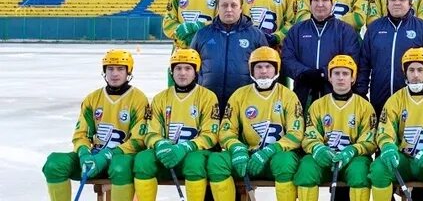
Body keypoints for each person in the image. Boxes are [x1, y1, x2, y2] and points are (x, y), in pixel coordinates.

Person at [42, 49, 149, 201]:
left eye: (120, 69)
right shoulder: (92, 99)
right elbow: (81, 135)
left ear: (128, 72)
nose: (114, 73)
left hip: (121, 160)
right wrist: (84, 153)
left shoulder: (138, 99)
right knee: (54, 164)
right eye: (110, 69)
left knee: (120, 167)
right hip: (93, 158)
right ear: (104, 71)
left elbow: (139, 141)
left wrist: (108, 155)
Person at [207, 46, 305, 200]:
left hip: (276, 157)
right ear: (251, 70)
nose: (264, 71)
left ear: (276, 69)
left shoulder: (288, 96)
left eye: (268, 66)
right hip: (247, 156)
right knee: (216, 161)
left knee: (286, 163)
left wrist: (270, 150)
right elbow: (226, 130)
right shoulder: (239, 95)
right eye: (259, 67)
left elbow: (296, 133)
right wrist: (237, 148)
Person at [132, 49, 222, 201]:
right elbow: (150, 131)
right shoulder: (160, 98)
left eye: (188, 68)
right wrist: (160, 144)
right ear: (171, 72)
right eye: (178, 68)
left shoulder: (208, 97)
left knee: (194, 163)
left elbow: (211, 135)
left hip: (195, 153)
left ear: (196, 72)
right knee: (142, 160)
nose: (182, 73)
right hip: (166, 153)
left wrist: (185, 147)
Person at [370, 47, 423, 201]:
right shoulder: (395, 100)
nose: (415, 75)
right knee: (378, 169)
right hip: (402, 159)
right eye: (411, 70)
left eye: (420, 70)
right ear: (405, 72)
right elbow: (384, 130)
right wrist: (388, 147)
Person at [295, 54, 378, 201]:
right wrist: (318, 148)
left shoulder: (364, 106)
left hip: (352, 159)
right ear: (330, 77)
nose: (341, 78)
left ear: (353, 78)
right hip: (324, 158)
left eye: (345, 73)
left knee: (360, 174)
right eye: (336, 73)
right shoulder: (318, 105)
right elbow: (309, 134)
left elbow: (370, 139)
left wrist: (353, 150)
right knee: (306, 169)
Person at [357, 0, 423, 113]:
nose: (397, 3)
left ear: (410, 3)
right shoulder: (375, 28)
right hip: (379, 97)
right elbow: (364, 64)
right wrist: (361, 93)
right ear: (387, 3)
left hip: (413, 99)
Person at [283, 0, 361, 108]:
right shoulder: (297, 30)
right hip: (303, 93)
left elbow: (351, 58)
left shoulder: (345, 30)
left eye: (325, 0)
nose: (320, 4)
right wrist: (304, 73)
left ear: (332, 3)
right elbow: (287, 58)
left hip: (335, 94)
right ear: (310, 3)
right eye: (316, 0)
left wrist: (325, 73)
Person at [190, 0, 269, 104]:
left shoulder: (256, 35)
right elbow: (191, 67)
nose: (229, 9)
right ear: (218, 8)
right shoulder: (202, 34)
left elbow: (267, 68)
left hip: (244, 102)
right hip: (208, 101)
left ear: (241, 8)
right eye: (224, 5)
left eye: (234, 5)